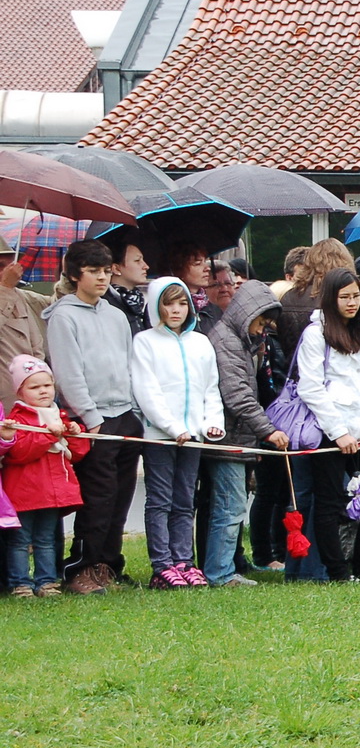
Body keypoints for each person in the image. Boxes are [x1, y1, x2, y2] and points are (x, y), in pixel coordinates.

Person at [43, 241, 145, 596]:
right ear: (74, 275)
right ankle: (82, 568)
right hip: (93, 420)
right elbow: (68, 375)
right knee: (97, 498)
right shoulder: (63, 315)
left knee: (120, 496)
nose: (102, 277)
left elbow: (129, 364)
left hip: (124, 416)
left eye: (106, 270)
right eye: (93, 271)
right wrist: (91, 417)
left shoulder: (116, 314)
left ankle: (107, 564)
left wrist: (134, 411)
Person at [130, 277, 226, 588]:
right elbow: (147, 391)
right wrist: (173, 428)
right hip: (160, 437)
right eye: (168, 303)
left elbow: (210, 388)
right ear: (157, 306)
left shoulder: (201, 342)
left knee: (186, 500)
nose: (176, 310)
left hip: (193, 437)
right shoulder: (145, 341)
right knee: (160, 500)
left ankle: (185, 561)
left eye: (182, 303)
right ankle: (162, 565)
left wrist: (213, 422)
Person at [299, 269, 360, 582]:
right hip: (328, 432)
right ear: (331, 298)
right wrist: (338, 433)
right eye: (345, 297)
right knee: (329, 503)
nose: (352, 303)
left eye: (356, 296)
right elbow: (310, 388)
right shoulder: (315, 334)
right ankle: (338, 572)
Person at [208, 279, 288, 587]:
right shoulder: (227, 342)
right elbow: (238, 395)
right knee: (229, 508)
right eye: (260, 321)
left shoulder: (241, 342)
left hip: (240, 438)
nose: (263, 328)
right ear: (246, 313)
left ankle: (226, 567)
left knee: (232, 506)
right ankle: (220, 572)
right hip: (229, 439)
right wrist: (268, 431)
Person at [2, 356, 89, 596]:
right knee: (20, 542)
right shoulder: (18, 419)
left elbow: (77, 454)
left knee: (46, 540)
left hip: (52, 494)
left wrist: (74, 434)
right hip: (24, 493)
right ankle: (20, 583)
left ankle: (47, 581)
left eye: (47, 385)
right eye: (34, 387)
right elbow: (19, 452)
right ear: (20, 392)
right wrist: (48, 435)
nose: (42, 391)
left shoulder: (59, 416)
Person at [0, 234, 50, 366]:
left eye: (11, 265)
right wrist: (5, 287)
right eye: (0, 265)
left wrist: (70, 273)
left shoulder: (25, 297)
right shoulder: (8, 290)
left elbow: (56, 304)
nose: (8, 271)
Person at [103, 238, 152, 335]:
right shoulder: (105, 304)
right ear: (116, 268)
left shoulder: (140, 302)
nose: (146, 266)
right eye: (137, 260)